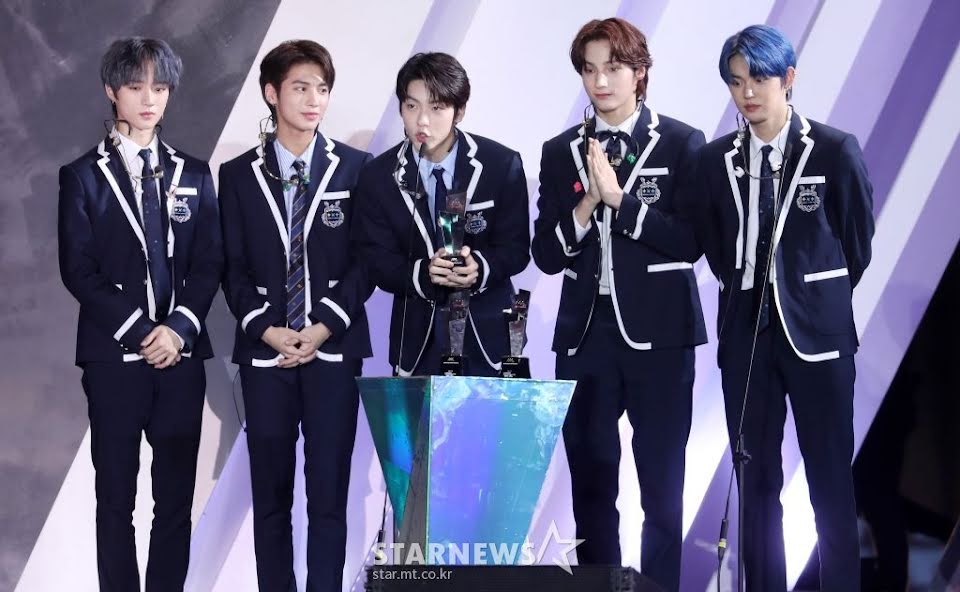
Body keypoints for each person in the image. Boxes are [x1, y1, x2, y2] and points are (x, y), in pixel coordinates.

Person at [530, 17, 706, 592]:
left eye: (613, 68)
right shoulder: (560, 151)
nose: (600, 81)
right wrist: (587, 205)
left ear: (640, 72)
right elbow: (546, 255)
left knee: (663, 488)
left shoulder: (682, 142)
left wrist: (621, 202)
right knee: (591, 485)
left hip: (662, 336)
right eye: (589, 69)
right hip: (586, 336)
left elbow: (691, 242)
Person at [697, 24, 875, 591]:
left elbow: (857, 245)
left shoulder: (834, 149)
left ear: (788, 78)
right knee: (756, 484)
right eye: (735, 82)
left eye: (759, 79)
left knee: (830, 481)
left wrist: (808, 293)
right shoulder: (715, 160)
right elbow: (716, 245)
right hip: (746, 334)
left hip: (818, 336)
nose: (747, 92)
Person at [58, 37, 222, 591]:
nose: (150, 98)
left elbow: (210, 261)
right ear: (112, 91)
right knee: (115, 501)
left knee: (175, 501)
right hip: (114, 360)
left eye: (160, 87)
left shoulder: (194, 173)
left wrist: (178, 330)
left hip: (181, 359)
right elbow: (78, 270)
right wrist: (143, 332)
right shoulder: (82, 175)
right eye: (135, 86)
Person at [218, 40, 373, 592]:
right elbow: (231, 268)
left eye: (322, 89)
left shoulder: (356, 168)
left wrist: (322, 326)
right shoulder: (237, 175)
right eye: (301, 87)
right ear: (272, 93)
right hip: (266, 358)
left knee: (329, 496)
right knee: (271, 499)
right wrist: (268, 329)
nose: (314, 100)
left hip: (333, 353)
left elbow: (366, 262)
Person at [355, 52, 529, 377]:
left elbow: (516, 249)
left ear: (459, 111)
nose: (422, 121)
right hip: (416, 341)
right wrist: (424, 273)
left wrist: (479, 267)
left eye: (436, 108)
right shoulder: (378, 176)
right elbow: (375, 259)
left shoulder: (500, 164)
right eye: (412, 106)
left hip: (489, 341)